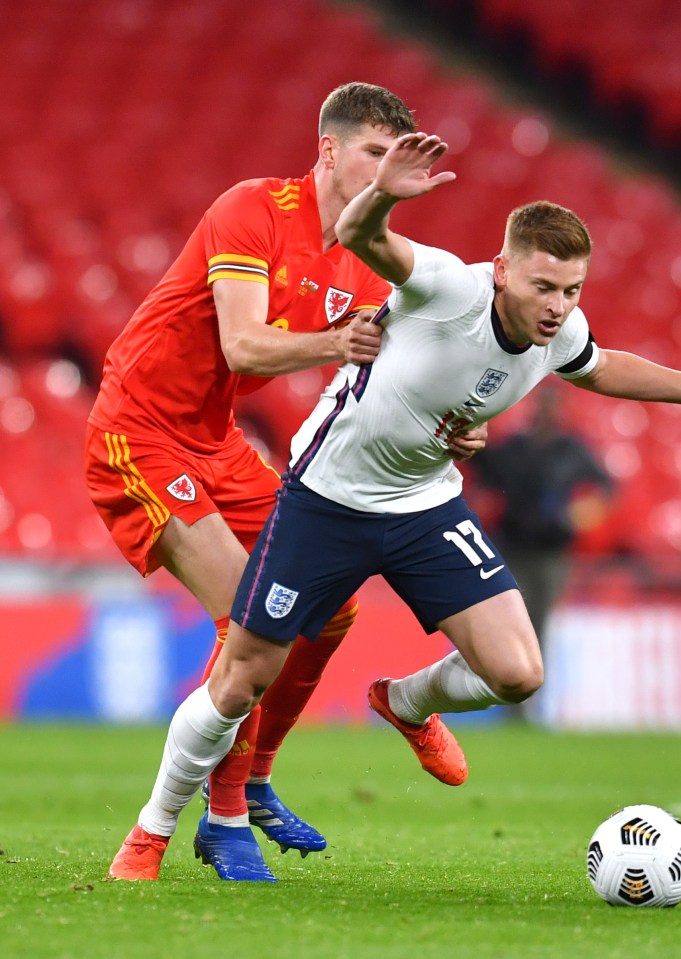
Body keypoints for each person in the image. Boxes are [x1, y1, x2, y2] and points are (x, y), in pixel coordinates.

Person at [113, 131, 681, 881]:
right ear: (501, 270)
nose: (556, 306)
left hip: (424, 506)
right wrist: (385, 192)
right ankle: (151, 831)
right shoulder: (443, 285)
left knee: (517, 671)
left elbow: (600, 368)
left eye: (571, 289)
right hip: (325, 500)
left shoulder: (558, 327)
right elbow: (360, 236)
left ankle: (403, 701)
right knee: (241, 677)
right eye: (542, 286)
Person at [88, 86, 481, 884]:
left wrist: (451, 424)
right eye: (375, 151)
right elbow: (241, 346)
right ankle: (212, 815)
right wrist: (340, 342)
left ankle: (254, 776)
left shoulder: (373, 264)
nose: (386, 167)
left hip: (218, 441)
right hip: (138, 428)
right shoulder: (253, 209)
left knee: (328, 604)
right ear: (330, 152)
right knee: (249, 617)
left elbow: (398, 377)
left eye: (398, 154)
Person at [469, 384, 615, 703]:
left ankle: (529, 699)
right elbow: (484, 468)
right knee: (515, 625)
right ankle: (514, 699)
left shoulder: (571, 449)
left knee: (539, 624)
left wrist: (583, 513)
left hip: (551, 553)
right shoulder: (516, 448)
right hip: (513, 548)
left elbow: (604, 486)